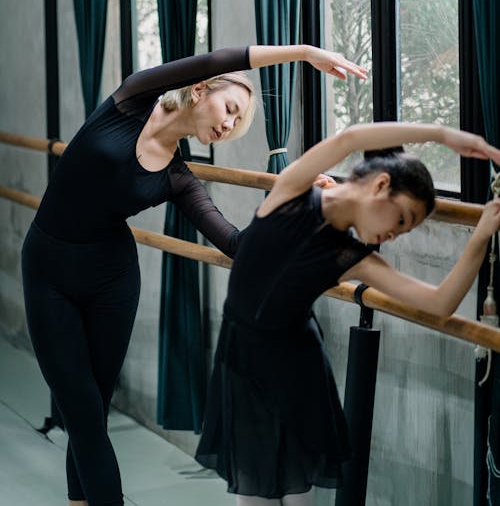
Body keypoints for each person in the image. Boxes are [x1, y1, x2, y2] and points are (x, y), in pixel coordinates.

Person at [21, 44, 366, 506]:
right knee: (81, 411)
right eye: (230, 110)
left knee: (92, 409)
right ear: (201, 90)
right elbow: (218, 59)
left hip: (112, 282)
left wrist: (305, 202)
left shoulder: (179, 178)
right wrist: (303, 53)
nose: (228, 126)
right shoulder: (132, 100)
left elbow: (238, 244)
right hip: (48, 273)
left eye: (236, 124)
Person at [195, 122, 500, 506]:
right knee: (252, 490)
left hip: (295, 369)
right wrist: (444, 136)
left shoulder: (353, 258)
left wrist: (481, 235)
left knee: (295, 490)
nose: (395, 235)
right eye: (402, 220)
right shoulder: (292, 190)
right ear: (380, 185)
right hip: (241, 359)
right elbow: (349, 137)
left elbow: (440, 303)